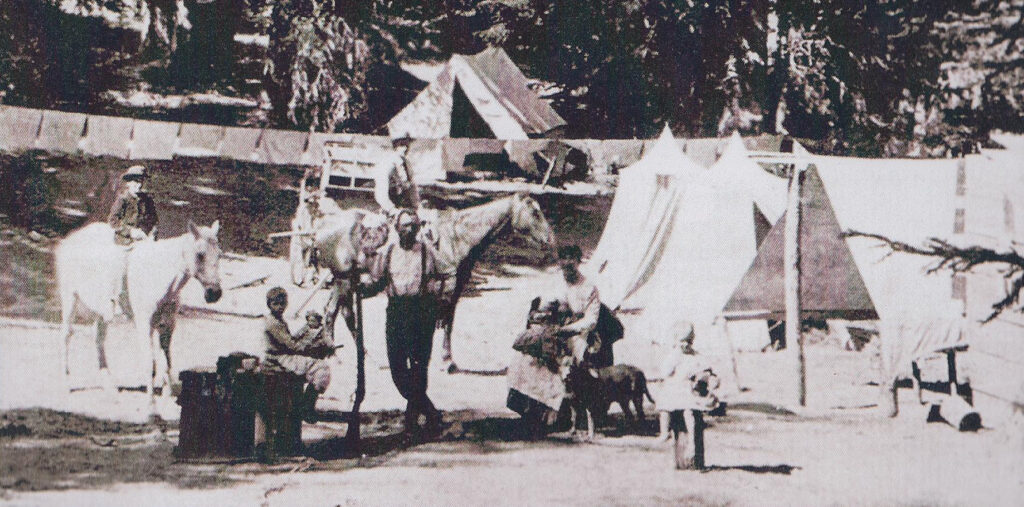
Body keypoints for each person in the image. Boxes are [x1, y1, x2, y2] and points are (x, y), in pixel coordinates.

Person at [361, 210, 443, 438]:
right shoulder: (388, 252)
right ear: (396, 229)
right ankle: (429, 411)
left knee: (419, 368)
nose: (410, 230)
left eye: (413, 225)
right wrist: (361, 290)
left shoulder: (427, 251)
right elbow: (377, 280)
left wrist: (439, 306)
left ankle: (412, 422)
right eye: (405, 226)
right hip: (396, 312)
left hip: (421, 313)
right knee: (397, 368)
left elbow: (443, 276)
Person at [262, 287, 334, 423]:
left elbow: (290, 342)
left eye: (282, 304)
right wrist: (314, 347)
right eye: (275, 304)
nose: (279, 307)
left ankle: (307, 403)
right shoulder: (273, 323)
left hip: (282, 356)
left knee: (316, 365)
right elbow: (292, 345)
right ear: (269, 305)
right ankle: (307, 407)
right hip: (279, 359)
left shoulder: (277, 320)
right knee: (321, 368)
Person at [655, 321, 720, 441]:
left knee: (689, 410)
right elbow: (665, 372)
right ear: (675, 341)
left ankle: (692, 437)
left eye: (689, 341)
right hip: (674, 388)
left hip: (689, 390)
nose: (685, 345)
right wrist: (674, 360)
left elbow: (707, 370)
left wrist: (710, 378)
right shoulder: (673, 356)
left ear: (693, 340)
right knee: (664, 408)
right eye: (681, 341)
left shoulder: (695, 356)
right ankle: (664, 432)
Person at [556, 245, 616, 368]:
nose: (567, 271)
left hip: (582, 330)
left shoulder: (588, 287)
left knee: (577, 354)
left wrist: (568, 329)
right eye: (564, 266)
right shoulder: (556, 283)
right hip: (559, 327)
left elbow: (591, 320)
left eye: (571, 266)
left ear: (578, 263)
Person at [108, 165, 158, 246]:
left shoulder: (147, 200)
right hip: (124, 242)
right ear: (128, 183)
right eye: (135, 181)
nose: (139, 185)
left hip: (142, 242)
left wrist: (146, 231)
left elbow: (153, 219)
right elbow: (113, 221)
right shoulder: (123, 200)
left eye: (141, 181)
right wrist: (129, 231)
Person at [373, 131, 418, 217]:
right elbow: (381, 193)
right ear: (395, 145)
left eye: (407, 145)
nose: (405, 148)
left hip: (405, 207)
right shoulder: (386, 164)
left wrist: (416, 207)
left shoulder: (407, 164)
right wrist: (392, 210)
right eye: (402, 145)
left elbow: (413, 187)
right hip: (388, 209)